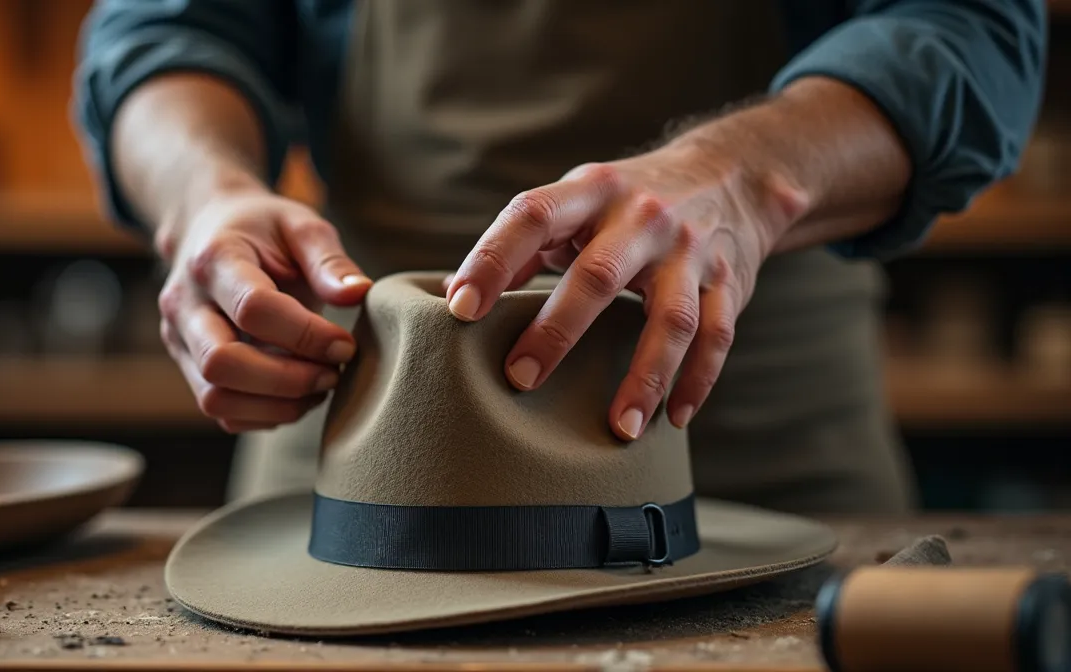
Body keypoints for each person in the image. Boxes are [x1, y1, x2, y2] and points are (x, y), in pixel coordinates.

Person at [73, 0, 1047, 513]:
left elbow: (970, 27)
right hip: (363, 459)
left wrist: (743, 180)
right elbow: (167, 26)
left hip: (759, 447)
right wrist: (204, 194)